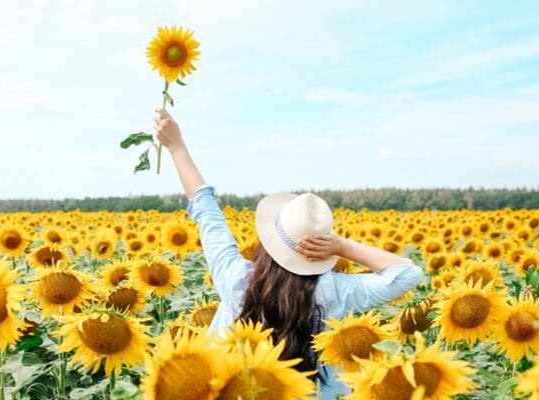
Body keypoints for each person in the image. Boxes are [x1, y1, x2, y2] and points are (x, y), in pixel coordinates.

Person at [153, 107, 424, 399]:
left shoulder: (236, 280)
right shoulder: (337, 293)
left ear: (269, 242)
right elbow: (407, 273)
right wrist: (343, 246)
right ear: (322, 251)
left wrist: (176, 146)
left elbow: (206, 211)